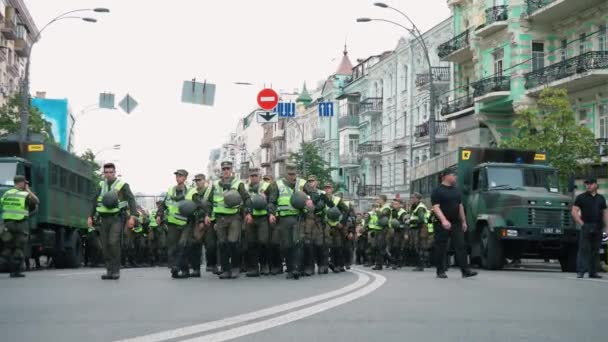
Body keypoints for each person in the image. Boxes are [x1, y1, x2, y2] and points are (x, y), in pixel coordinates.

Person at [88, 163, 138, 280]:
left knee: (113, 242)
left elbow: (131, 200)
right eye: (107, 172)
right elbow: (94, 201)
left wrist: (133, 217)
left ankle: (116, 271)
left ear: (115, 172)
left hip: (117, 218)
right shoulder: (101, 184)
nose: (109, 174)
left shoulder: (122, 185)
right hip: (103, 219)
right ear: (104, 173)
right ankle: (109, 271)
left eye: (111, 172)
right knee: (105, 245)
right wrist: (90, 216)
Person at [204, 161, 252, 279]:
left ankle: (235, 267)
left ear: (231, 170)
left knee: (233, 242)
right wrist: (207, 215)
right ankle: (225, 269)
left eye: (228, 169)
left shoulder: (238, 183)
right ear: (221, 170)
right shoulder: (214, 184)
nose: (226, 171)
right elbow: (207, 201)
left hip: (234, 217)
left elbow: (246, 198)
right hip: (220, 218)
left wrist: (249, 213)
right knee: (222, 244)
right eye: (224, 168)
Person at [267, 164, 312, 279]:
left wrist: (309, 201)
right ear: (285, 174)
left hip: (298, 217)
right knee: (287, 245)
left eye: (294, 174)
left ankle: (297, 268)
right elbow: (272, 201)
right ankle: (290, 269)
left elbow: (315, 195)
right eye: (290, 174)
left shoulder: (302, 183)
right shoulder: (277, 184)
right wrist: (272, 213)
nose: (292, 176)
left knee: (298, 242)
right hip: (284, 219)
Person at [430, 168, 477, 279]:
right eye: (453, 175)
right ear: (446, 176)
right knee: (441, 247)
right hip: (442, 224)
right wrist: (444, 220)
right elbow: (436, 207)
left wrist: (463, 221)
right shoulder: (437, 190)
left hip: (456, 223)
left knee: (461, 246)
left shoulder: (456, 190)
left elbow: (460, 206)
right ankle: (440, 271)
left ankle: (465, 271)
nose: (455, 177)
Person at [0, 175, 39, 278]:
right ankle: (15, 272)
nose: (25, 185)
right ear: (21, 183)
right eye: (25, 183)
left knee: (8, 247)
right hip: (20, 224)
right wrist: (28, 190)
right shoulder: (23, 194)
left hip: (7, 224)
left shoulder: (7, 193)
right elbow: (36, 201)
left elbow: (2, 205)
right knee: (19, 248)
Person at [157, 169, 191, 279]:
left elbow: (198, 205)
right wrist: (159, 215)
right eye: (177, 175)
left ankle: (181, 268)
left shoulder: (190, 191)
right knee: (172, 247)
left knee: (182, 245)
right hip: (172, 224)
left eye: (180, 176)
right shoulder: (171, 190)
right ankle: (176, 269)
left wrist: (202, 218)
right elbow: (163, 204)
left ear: (185, 178)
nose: (178, 177)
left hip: (186, 223)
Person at [572, 177, 607, 279]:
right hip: (586, 225)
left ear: (595, 185)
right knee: (584, 249)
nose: (588, 186)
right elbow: (574, 211)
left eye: (590, 184)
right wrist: (582, 223)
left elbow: (605, 213)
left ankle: (593, 272)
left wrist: (607, 227)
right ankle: (581, 271)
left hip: (598, 226)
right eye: (587, 184)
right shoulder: (581, 197)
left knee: (595, 250)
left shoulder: (601, 198)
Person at [243, 168, 273, 277]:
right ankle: (253, 268)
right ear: (249, 177)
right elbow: (246, 202)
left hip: (263, 217)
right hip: (251, 218)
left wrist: (271, 213)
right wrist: (248, 213)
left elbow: (272, 200)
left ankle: (264, 265)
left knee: (263, 241)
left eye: (256, 175)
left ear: (259, 176)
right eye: (252, 176)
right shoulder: (245, 187)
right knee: (251, 243)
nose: (254, 178)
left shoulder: (266, 186)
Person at [185, 173, 209, 277]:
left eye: (199, 180)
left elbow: (207, 205)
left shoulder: (209, 191)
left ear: (204, 180)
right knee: (195, 244)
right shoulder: (193, 192)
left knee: (212, 244)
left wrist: (202, 220)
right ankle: (196, 268)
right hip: (195, 220)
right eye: (196, 180)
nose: (198, 182)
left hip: (209, 219)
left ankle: (214, 265)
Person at [409, 192, 432, 271]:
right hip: (418, 228)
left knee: (419, 246)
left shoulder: (420, 207)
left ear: (417, 199)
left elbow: (421, 219)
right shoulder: (415, 206)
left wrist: (410, 222)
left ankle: (421, 265)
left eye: (413, 198)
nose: (411, 199)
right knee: (419, 246)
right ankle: (421, 264)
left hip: (421, 228)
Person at [388, 198, 407, 270]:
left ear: (400, 205)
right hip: (392, 231)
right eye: (393, 204)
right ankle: (394, 261)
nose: (394, 205)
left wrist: (405, 232)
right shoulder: (392, 211)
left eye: (396, 204)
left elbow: (406, 223)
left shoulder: (403, 213)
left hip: (400, 231)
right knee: (392, 247)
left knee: (397, 247)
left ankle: (397, 262)